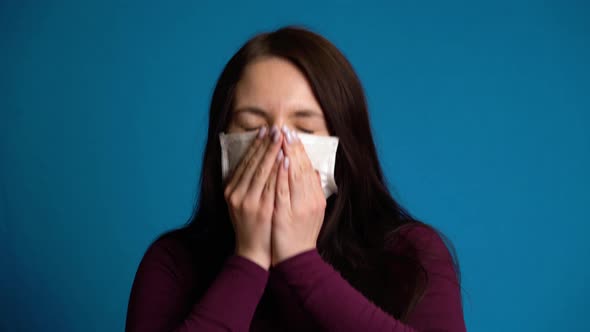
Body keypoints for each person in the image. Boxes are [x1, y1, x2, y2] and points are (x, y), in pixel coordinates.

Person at [126, 26, 466, 332]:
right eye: (251, 127)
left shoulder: (412, 255)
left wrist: (301, 261)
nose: (277, 145)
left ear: (342, 145)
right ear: (223, 142)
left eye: (303, 129)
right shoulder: (173, 262)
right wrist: (250, 259)